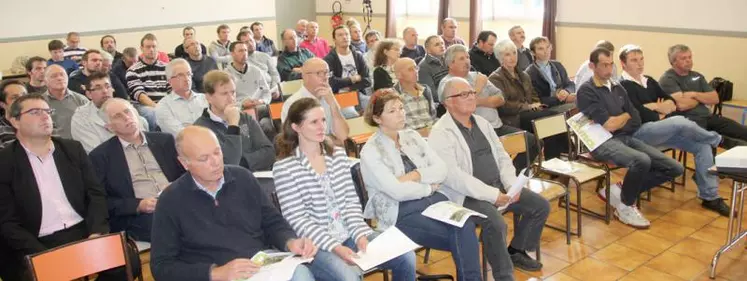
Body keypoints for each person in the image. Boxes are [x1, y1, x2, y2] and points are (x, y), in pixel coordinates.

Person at [273, 97, 417, 281]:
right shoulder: (284, 168)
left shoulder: (338, 155)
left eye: (323, 120)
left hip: (350, 232)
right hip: (317, 244)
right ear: (296, 127)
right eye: (314, 122)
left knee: (406, 257)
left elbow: (350, 201)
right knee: (349, 278)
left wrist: (359, 236)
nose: (321, 127)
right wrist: (335, 247)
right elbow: (297, 219)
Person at [149, 126, 317, 281]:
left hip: (261, 265)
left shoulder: (243, 178)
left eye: (217, 152)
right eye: (204, 158)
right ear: (185, 163)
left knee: (301, 275)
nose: (215, 162)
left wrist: (290, 242)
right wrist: (215, 273)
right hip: (217, 275)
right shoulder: (170, 200)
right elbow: (161, 267)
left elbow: (273, 222)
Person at [0, 94, 139, 281]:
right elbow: (7, 222)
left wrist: (97, 233)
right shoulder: (5, 162)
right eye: (35, 112)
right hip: (37, 241)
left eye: (47, 111)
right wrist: (41, 254)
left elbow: (95, 194)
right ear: (15, 121)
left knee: (127, 262)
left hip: (83, 231)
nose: (45, 116)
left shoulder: (72, 149)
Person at [430, 76, 550, 277]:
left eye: (472, 93)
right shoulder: (441, 133)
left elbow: (502, 157)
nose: (471, 97)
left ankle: (516, 250)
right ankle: (504, 275)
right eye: (464, 94)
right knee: (495, 223)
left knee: (540, 206)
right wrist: (494, 195)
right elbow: (455, 178)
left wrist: (512, 186)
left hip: (497, 187)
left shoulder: (482, 123)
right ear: (448, 102)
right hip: (466, 195)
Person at [359, 90, 482, 281]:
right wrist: (428, 187)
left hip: (434, 201)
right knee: (463, 236)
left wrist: (416, 175)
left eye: (401, 108)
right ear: (377, 118)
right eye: (392, 111)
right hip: (401, 211)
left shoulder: (412, 136)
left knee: (465, 223)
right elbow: (396, 192)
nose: (401, 113)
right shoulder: (371, 151)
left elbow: (441, 169)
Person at [576, 47, 684, 229]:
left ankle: (620, 191)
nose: (609, 69)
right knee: (641, 160)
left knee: (674, 167)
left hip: (624, 137)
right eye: (604, 65)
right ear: (592, 66)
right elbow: (609, 125)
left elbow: (636, 118)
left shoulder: (617, 86)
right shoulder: (587, 91)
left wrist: (621, 119)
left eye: (611, 64)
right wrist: (624, 116)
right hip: (601, 143)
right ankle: (625, 206)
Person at [617, 44, 730, 216]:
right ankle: (718, 140)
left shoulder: (649, 80)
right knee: (679, 121)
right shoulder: (621, 85)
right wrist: (658, 109)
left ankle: (710, 196)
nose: (639, 64)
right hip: (638, 133)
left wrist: (655, 107)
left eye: (641, 59)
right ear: (623, 64)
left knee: (702, 146)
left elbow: (671, 103)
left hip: (661, 130)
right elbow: (636, 113)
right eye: (634, 60)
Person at [89, 97, 184, 242]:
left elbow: (186, 174)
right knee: (167, 225)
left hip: (177, 200)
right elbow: (102, 201)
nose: (127, 117)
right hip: (143, 215)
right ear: (109, 127)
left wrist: (178, 188)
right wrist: (138, 205)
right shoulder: (101, 156)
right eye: (118, 116)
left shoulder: (165, 141)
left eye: (128, 111)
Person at [439, 44, 538, 172]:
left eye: (468, 57)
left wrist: (478, 100)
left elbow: (500, 99)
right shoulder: (448, 83)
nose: (467, 61)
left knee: (532, 141)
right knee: (492, 152)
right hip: (474, 131)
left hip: (496, 126)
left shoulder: (477, 75)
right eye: (461, 59)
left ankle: (512, 174)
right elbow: (463, 108)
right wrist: (478, 89)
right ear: (450, 64)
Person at [659, 44, 747, 148]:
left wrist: (694, 94)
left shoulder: (697, 76)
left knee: (743, 131)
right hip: (688, 122)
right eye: (683, 58)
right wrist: (703, 99)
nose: (688, 60)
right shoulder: (668, 79)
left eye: (690, 57)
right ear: (673, 62)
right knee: (730, 143)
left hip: (707, 117)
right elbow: (682, 105)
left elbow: (715, 98)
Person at [194, 70, 275, 171]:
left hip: (258, 177)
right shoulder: (201, 129)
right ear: (209, 98)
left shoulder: (245, 118)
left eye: (233, 92)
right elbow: (229, 165)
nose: (231, 98)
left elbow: (269, 152)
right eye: (224, 94)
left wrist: (243, 163)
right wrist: (233, 125)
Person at [71, 72, 147, 153]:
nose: (105, 91)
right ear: (89, 94)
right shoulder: (81, 118)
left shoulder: (125, 106)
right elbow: (95, 152)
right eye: (98, 88)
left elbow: (143, 137)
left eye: (107, 86)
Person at [282, 58, 349, 145]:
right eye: (319, 73)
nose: (325, 78)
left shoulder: (329, 97)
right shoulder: (293, 103)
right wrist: (331, 140)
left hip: (333, 152)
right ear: (305, 76)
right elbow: (295, 141)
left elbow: (343, 137)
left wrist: (333, 104)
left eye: (327, 73)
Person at [127, 33, 171, 131]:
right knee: (153, 114)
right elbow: (140, 96)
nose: (151, 49)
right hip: (143, 106)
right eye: (148, 47)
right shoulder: (133, 70)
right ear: (141, 49)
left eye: (154, 46)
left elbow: (172, 90)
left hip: (165, 103)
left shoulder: (167, 68)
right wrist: (159, 108)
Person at [324, 26, 371, 117]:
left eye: (347, 34)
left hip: (358, 94)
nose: (345, 37)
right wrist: (352, 79)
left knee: (378, 107)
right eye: (340, 35)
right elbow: (331, 82)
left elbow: (367, 80)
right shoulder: (329, 59)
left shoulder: (358, 56)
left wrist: (350, 87)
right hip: (340, 96)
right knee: (351, 114)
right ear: (334, 39)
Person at [156, 59, 209, 136]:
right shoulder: (163, 106)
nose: (186, 78)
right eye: (180, 75)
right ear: (170, 81)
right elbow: (182, 135)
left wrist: (188, 126)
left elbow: (217, 125)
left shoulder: (205, 99)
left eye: (188, 74)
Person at [524, 36, 576, 111]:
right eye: (541, 49)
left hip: (564, 101)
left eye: (548, 47)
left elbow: (570, 84)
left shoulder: (558, 65)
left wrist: (567, 91)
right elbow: (537, 99)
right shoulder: (529, 73)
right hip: (548, 108)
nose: (546, 51)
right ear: (532, 53)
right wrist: (561, 99)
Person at [42, 64, 89, 139]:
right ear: (45, 81)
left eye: (62, 75)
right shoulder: (40, 102)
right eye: (54, 76)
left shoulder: (81, 100)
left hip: (79, 144)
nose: (59, 78)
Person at [393, 58, 436, 133]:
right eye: (410, 69)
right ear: (399, 75)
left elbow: (432, 116)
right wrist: (420, 133)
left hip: (431, 133)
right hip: (411, 138)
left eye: (416, 68)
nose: (415, 72)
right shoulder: (393, 95)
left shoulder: (425, 90)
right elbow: (395, 127)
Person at [418, 35, 448, 106]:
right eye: (437, 44)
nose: (441, 46)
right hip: (440, 105)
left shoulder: (448, 60)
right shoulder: (424, 67)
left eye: (442, 43)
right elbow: (432, 94)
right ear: (427, 50)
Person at [0, 80, 27, 149]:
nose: (22, 100)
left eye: (25, 96)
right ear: (3, 104)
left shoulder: (43, 120)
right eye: (15, 98)